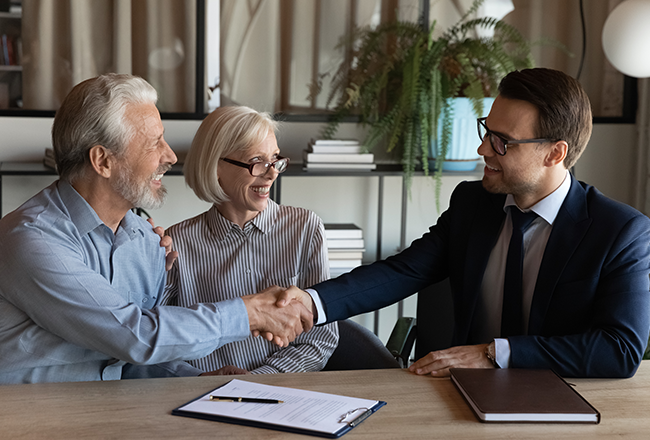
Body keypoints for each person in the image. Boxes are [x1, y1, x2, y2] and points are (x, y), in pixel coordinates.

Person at [279, 68, 650, 378]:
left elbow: (619, 350)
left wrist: (494, 354)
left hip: (563, 403)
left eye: (503, 142)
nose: (483, 149)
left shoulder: (620, 232)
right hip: (461, 396)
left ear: (555, 153)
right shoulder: (473, 204)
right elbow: (402, 271)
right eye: (486, 131)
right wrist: (312, 302)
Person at [0, 73, 311, 384]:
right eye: (154, 143)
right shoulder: (32, 239)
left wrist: (197, 377)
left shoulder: (146, 240)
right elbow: (135, 336)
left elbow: (127, 361)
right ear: (103, 161)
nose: (170, 156)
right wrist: (250, 313)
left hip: (107, 412)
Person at [161, 106, 338, 375]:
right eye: (257, 161)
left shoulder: (305, 228)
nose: (272, 174)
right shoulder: (177, 243)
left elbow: (321, 338)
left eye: (275, 160)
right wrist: (198, 378)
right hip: (199, 395)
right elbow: (157, 339)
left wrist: (259, 379)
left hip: (283, 396)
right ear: (216, 166)